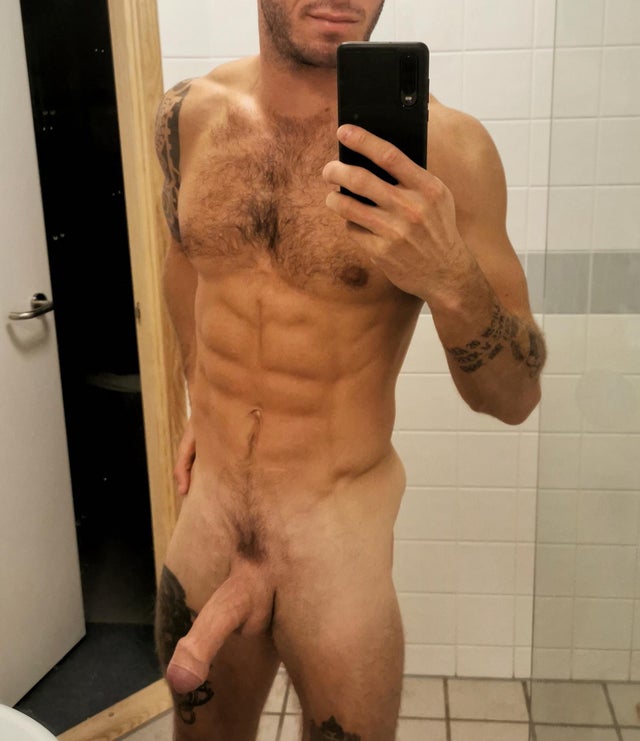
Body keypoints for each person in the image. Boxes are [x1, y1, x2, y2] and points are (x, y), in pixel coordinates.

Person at [153, 1, 546, 739]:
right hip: (208, 525)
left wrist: (449, 276)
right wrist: (197, 400)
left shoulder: (448, 151)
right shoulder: (187, 116)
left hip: (333, 545)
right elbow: (183, 260)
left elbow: (516, 395)